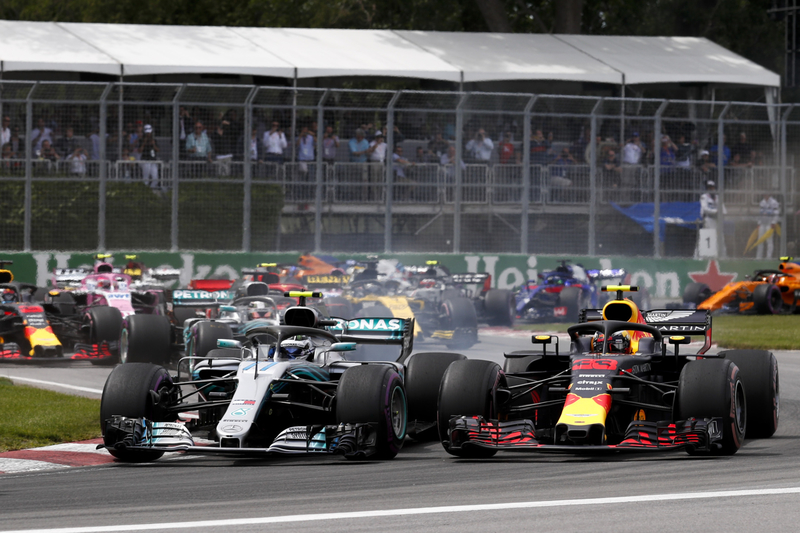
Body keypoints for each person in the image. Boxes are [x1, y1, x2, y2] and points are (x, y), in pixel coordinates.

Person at [756, 194, 780, 259]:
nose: (765, 196)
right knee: (760, 240)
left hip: (770, 224)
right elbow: (760, 213)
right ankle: (758, 257)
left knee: (769, 240)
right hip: (762, 223)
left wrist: (774, 222)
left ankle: (769, 257)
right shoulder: (762, 202)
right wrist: (759, 223)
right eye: (764, 195)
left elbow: (776, 213)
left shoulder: (774, 202)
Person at [138, 124, 160, 189]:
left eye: (149, 132)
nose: (148, 134)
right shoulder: (141, 140)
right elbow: (139, 150)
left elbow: (158, 150)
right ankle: (145, 189)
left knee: (155, 177)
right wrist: (144, 143)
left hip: (153, 160)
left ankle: (152, 189)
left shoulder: (154, 140)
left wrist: (153, 144)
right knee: (146, 177)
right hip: (145, 160)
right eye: (147, 133)